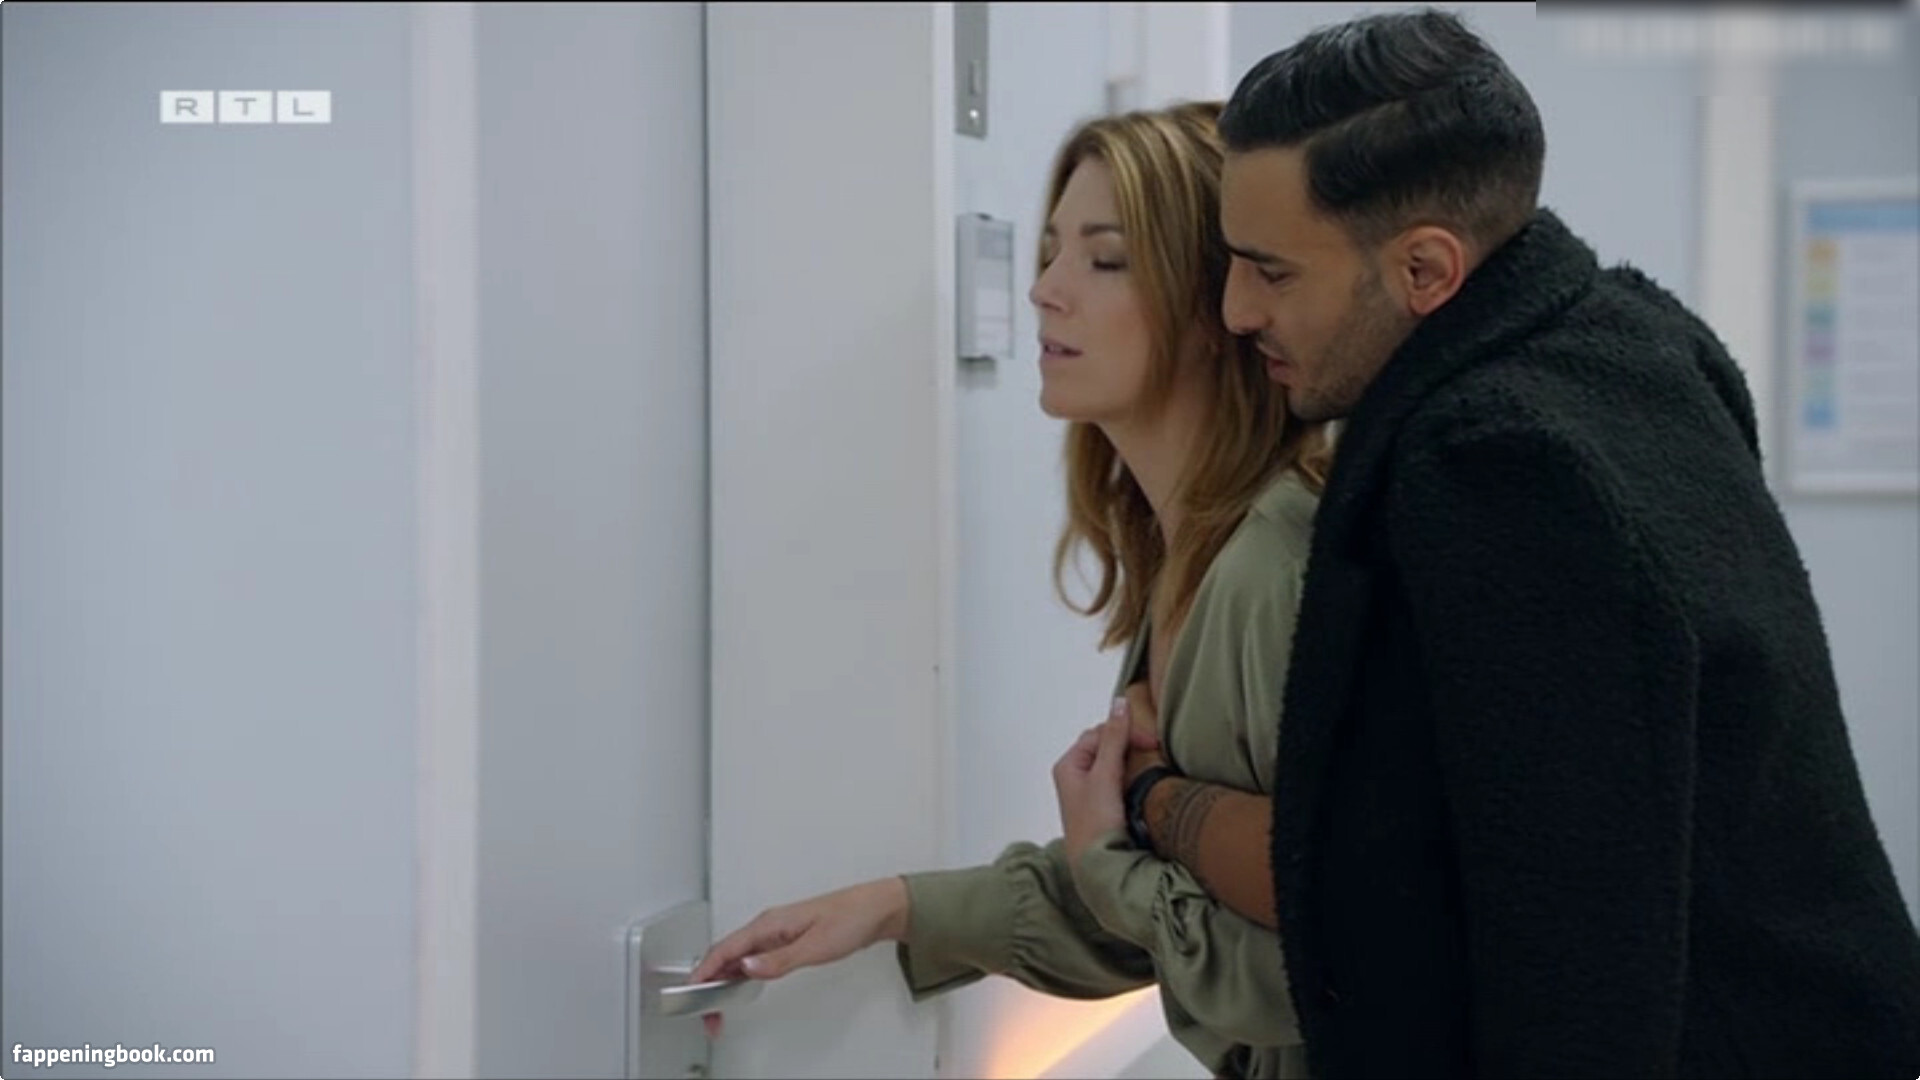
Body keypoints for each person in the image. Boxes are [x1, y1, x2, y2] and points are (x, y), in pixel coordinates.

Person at [1106, 9, 1920, 1079]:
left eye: (1272, 271)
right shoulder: (1639, 342)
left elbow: (1569, 927)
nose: (1234, 309)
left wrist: (1151, 802)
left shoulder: (1491, 460)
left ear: (1426, 270)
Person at [689, 101, 1332, 1079]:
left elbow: (1310, 969)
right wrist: (890, 907)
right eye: (1048, 252)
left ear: (1219, 308)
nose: (1044, 290)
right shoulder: (1189, 559)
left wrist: (1120, 842)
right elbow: (1176, 913)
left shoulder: (1269, 569)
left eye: (1105, 260)